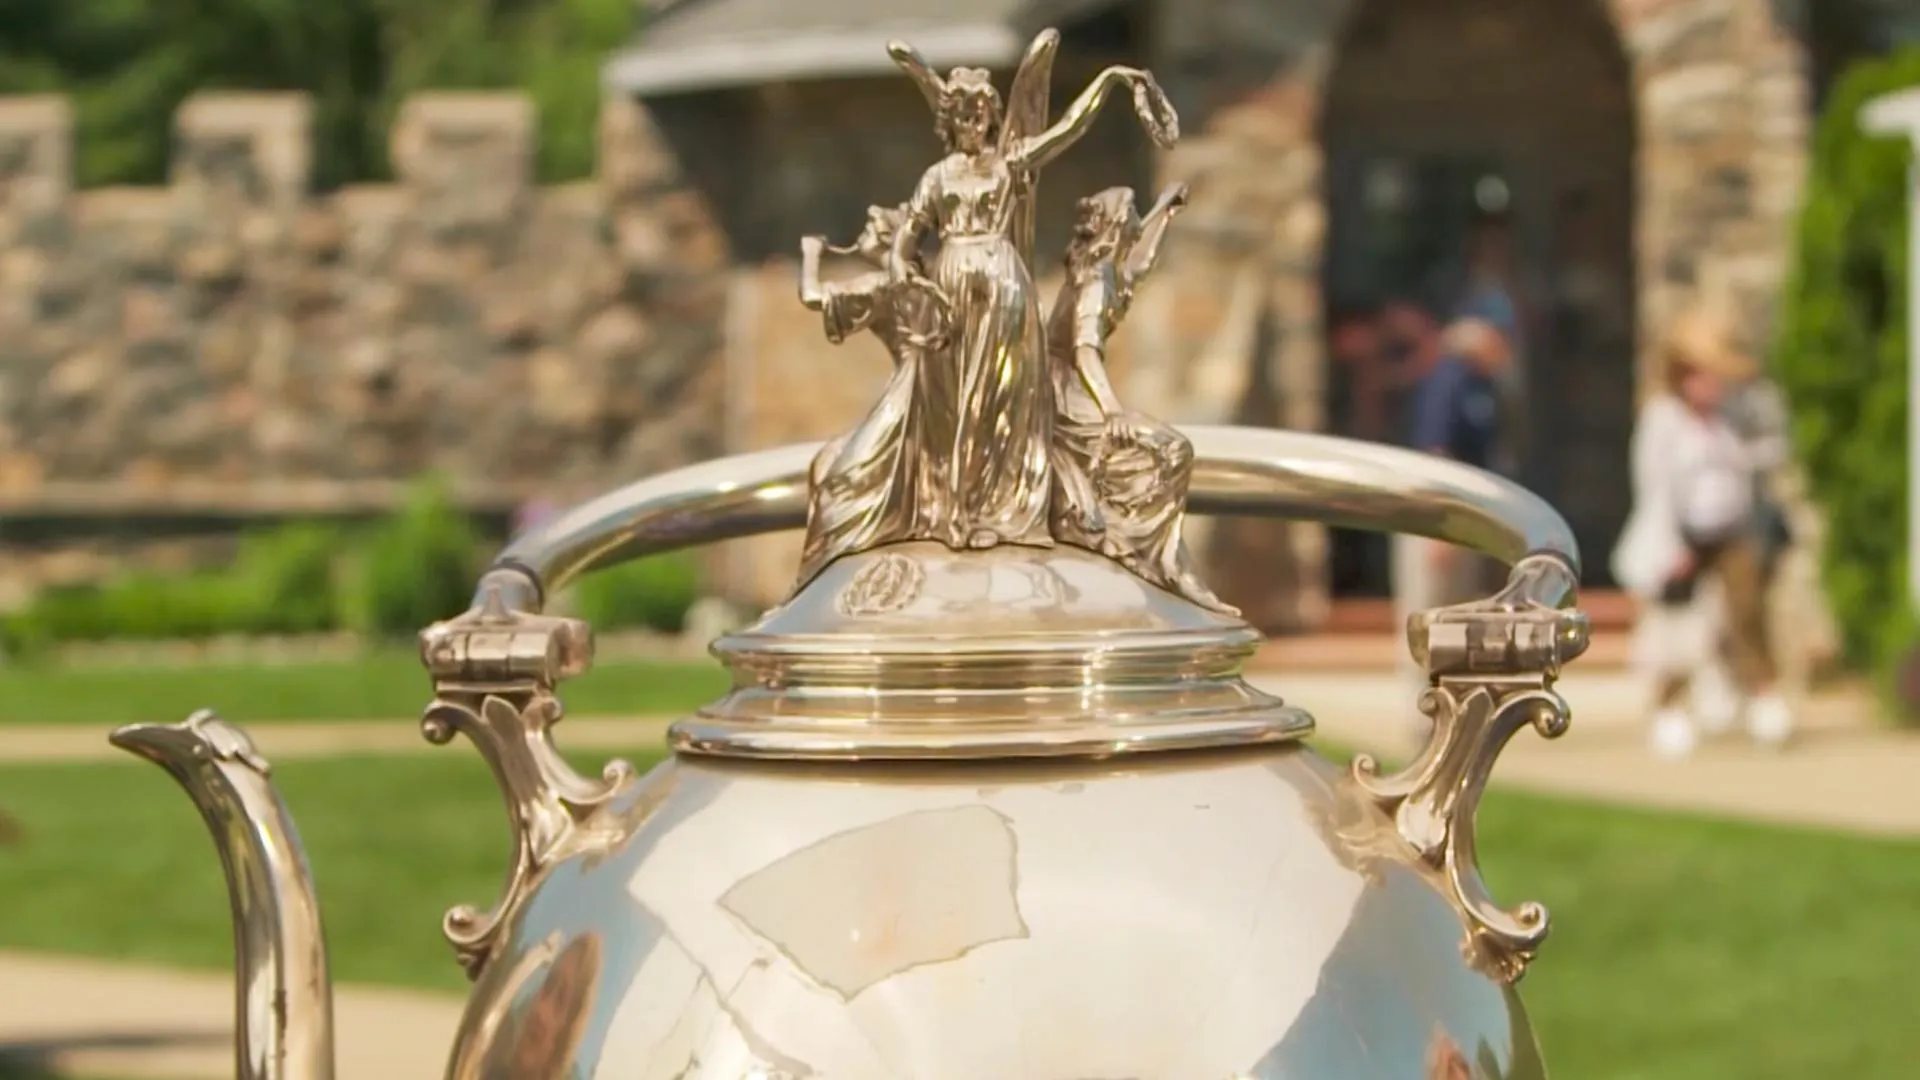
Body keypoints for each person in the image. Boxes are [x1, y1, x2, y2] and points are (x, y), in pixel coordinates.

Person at [1611, 309, 1794, 758]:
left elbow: (1758, 460)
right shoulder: (1663, 420)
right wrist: (1672, 546)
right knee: (1679, 629)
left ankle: (1764, 696)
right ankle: (1670, 706)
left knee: (1747, 612)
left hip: (1730, 529)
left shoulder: (1729, 418)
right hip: (1683, 535)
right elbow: (1655, 488)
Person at [1392, 316, 1513, 696]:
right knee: (1426, 615)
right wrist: (1438, 528)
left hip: (1465, 520)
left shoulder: (1484, 387)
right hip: (1436, 520)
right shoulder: (1448, 382)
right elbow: (1436, 453)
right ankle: (1421, 706)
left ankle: (1453, 702)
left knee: (1459, 618)